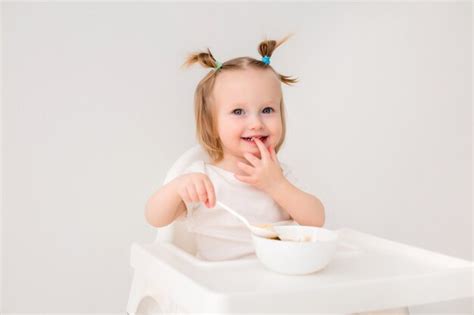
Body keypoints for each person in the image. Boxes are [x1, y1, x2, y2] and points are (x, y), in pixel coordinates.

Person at [145, 35, 325, 261]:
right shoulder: (204, 178)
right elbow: (155, 217)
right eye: (238, 112)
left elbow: (316, 220)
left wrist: (276, 185)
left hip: (278, 283)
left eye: (267, 110)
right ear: (212, 124)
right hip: (222, 286)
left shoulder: (280, 175)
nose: (256, 123)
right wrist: (178, 187)